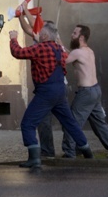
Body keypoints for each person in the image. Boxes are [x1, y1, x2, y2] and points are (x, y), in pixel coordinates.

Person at [9, 23, 93, 168]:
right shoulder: (59, 49)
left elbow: (18, 53)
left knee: (28, 123)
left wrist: (13, 39)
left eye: (41, 33)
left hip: (46, 92)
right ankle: (87, 152)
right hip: (60, 90)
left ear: (45, 36)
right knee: (70, 123)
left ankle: (34, 158)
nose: (39, 35)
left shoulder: (39, 48)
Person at [61, 24, 108, 159]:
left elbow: (63, 59)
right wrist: (59, 42)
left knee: (71, 122)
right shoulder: (89, 51)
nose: (72, 34)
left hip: (86, 93)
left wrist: (54, 46)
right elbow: (69, 54)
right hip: (95, 90)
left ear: (81, 37)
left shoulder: (77, 52)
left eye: (74, 33)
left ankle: (69, 152)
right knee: (100, 125)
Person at [17, 5, 65, 159]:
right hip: (48, 87)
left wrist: (24, 8)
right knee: (46, 121)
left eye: (43, 29)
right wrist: (20, 16)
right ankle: (48, 151)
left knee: (62, 120)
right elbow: (28, 29)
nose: (40, 31)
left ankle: (65, 149)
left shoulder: (54, 41)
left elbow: (33, 25)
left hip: (53, 86)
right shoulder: (43, 39)